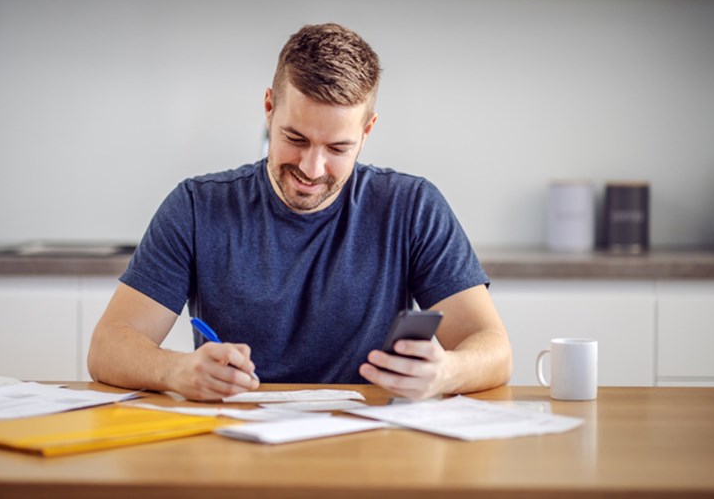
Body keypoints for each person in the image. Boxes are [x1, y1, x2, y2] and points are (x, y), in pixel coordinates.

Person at [88, 22, 512, 402]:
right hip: (236, 448)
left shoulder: (412, 207)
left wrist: (445, 372)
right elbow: (108, 346)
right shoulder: (198, 207)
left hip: (371, 449)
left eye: (337, 148)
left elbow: (493, 348)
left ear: (367, 131)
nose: (312, 169)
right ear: (269, 109)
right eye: (295, 138)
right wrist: (175, 370)